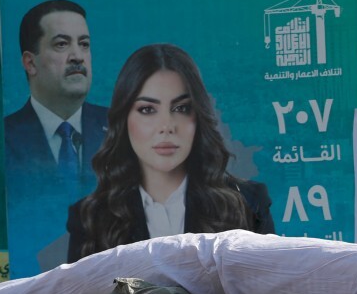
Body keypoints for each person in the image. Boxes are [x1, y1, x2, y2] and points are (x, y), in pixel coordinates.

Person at [66, 44, 274, 262]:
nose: (166, 126)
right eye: (147, 109)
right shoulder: (89, 218)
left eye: (181, 108)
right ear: (124, 119)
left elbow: (267, 292)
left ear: (198, 116)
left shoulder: (249, 203)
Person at [4, 0, 109, 272]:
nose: (77, 56)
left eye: (84, 44)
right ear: (30, 62)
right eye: (62, 44)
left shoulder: (122, 128)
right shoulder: (3, 139)